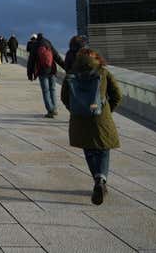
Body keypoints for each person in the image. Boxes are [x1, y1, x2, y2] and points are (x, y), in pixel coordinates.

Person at [61, 48, 122, 206]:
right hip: (100, 117)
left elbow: (64, 97)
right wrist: (107, 110)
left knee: (89, 151)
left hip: (80, 119)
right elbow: (117, 95)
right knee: (103, 150)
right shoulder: (103, 72)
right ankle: (101, 179)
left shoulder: (71, 74)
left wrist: (76, 109)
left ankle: (97, 179)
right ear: (97, 58)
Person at [29, 33, 66, 117]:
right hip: (52, 70)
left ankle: (50, 110)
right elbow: (56, 56)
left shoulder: (35, 45)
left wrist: (30, 73)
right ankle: (54, 109)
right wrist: (65, 67)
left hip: (42, 71)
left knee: (46, 91)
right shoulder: (47, 42)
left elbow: (31, 61)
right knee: (52, 89)